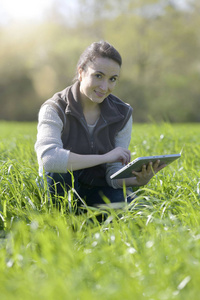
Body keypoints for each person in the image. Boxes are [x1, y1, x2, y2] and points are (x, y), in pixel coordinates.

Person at [35, 41, 165, 210]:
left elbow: (113, 175)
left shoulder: (123, 114)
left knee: (133, 211)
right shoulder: (55, 108)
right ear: (81, 72)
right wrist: (105, 157)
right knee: (59, 175)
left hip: (99, 188)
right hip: (61, 187)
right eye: (98, 76)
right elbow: (49, 160)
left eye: (112, 79)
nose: (105, 87)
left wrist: (138, 180)